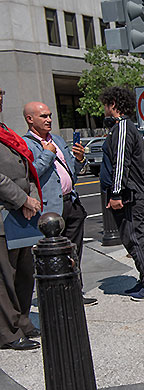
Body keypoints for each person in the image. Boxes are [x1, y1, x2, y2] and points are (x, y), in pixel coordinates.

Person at [21, 102, 97, 306]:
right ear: (30, 119)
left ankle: (75, 292)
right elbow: (29, 173)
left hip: (70, 202)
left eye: (49, 115)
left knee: (74, 250)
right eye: (43, 116)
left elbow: (71, 170)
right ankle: (55, 297)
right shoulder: (26, 144)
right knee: (52, 255)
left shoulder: (56, 139)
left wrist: (80, 160)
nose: (48, 120)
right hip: (49, 210)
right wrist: (47, 153)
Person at [100, 86, 144, 302]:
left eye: (106, 104)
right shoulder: (120, 128)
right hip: (128, 192)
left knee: (134, 236)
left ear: (113, 104)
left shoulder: (123, 128)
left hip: (129, 193)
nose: (104, 109)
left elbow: (121, 162)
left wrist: (116, 193)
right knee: (131, 236)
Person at [0, 86, 42, 350]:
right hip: (4, 216)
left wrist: (32, 199)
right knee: (5, 276)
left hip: (21, 215)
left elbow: (27, 168)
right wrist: (22, 199)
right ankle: (8, 332)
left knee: (25, 272)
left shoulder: (5, 131)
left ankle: (23, 320)